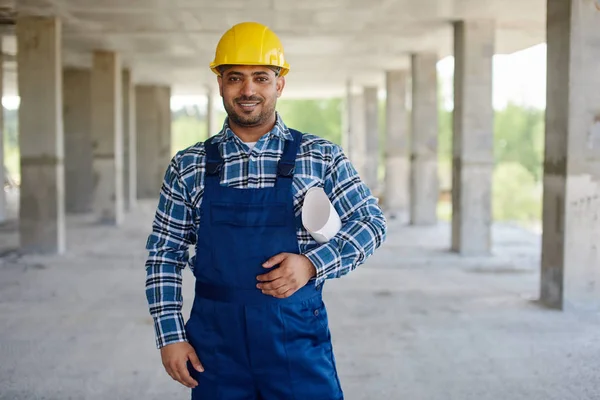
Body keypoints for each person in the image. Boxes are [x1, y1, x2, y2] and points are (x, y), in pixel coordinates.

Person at [144, 21, 387, 399]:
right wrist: (170, 336)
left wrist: (311, 264)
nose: (248, 90)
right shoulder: (188, 165)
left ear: (279, 84)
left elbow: (371, 224)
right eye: (234, 78)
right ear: (220, 83)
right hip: (216, 346)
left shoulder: (320, 157)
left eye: (260, 77)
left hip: (296, 337)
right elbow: (163, 254)